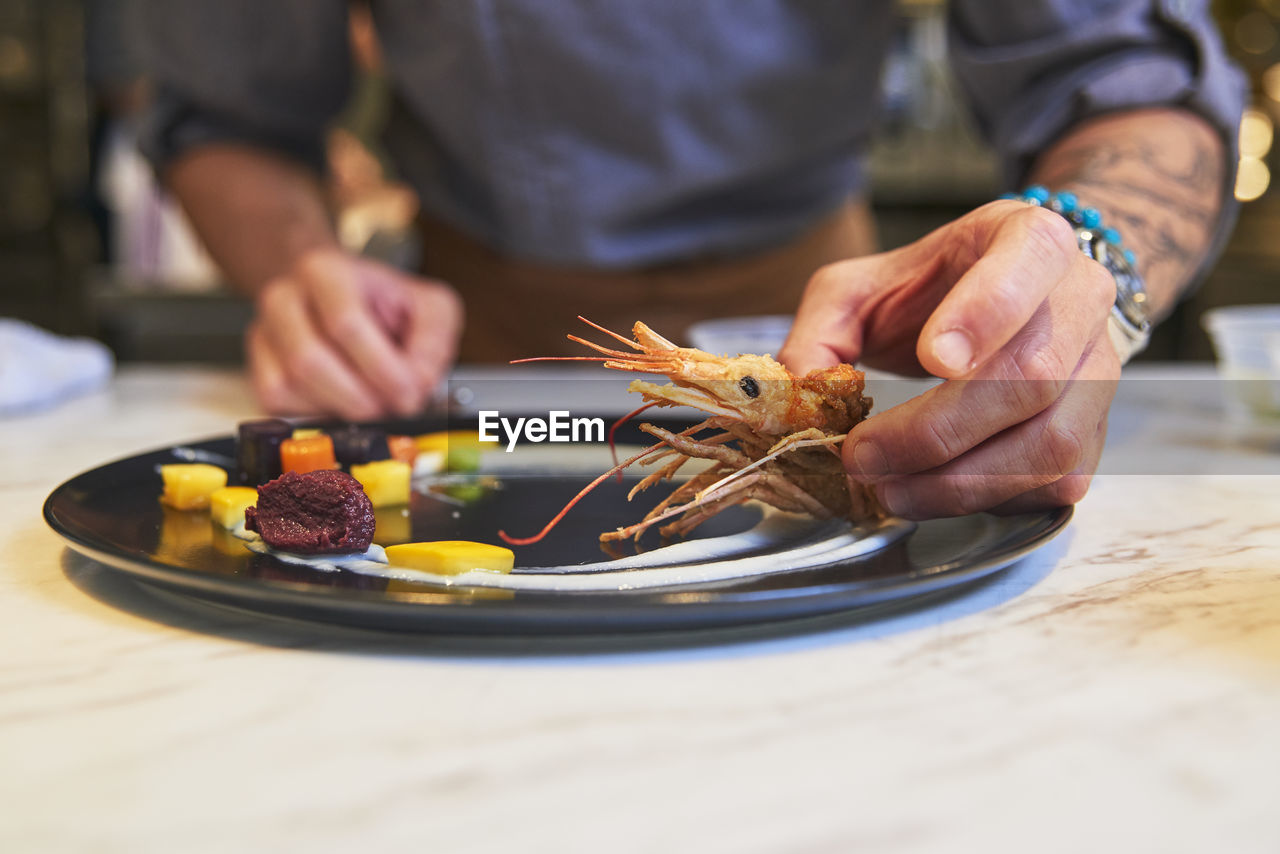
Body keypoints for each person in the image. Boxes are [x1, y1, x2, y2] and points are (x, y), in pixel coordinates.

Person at [139, 1, 1245, 519]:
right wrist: (301, 266)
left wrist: (1085, 256)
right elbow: (227, 114)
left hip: (822, 336)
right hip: (486, 376)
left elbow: (1132, 84)